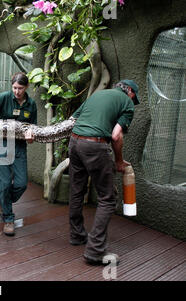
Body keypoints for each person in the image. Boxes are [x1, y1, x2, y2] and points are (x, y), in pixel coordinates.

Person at [68, 79, 140, 266]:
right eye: (134, 97)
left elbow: (73, 120)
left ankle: (76, 235)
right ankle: (95, 251)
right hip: (94, 145)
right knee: (107, 199)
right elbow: (116, 135)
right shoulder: (127, 103)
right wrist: (118, 161)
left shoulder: (97, 94)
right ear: (130, 91)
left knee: (77, 190)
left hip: (74, 142)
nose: (134, 101)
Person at [0, 72, 37, 236]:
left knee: (21, 183)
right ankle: (8, 219)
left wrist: (31, 135)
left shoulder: (31, 104)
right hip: (1, 146)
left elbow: (32, 127)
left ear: (27, 87)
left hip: (19, 148)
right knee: (3, 184)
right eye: (15, 88)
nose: (17, 92)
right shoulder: (4, 98)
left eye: (20, 88)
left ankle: (3, 200)